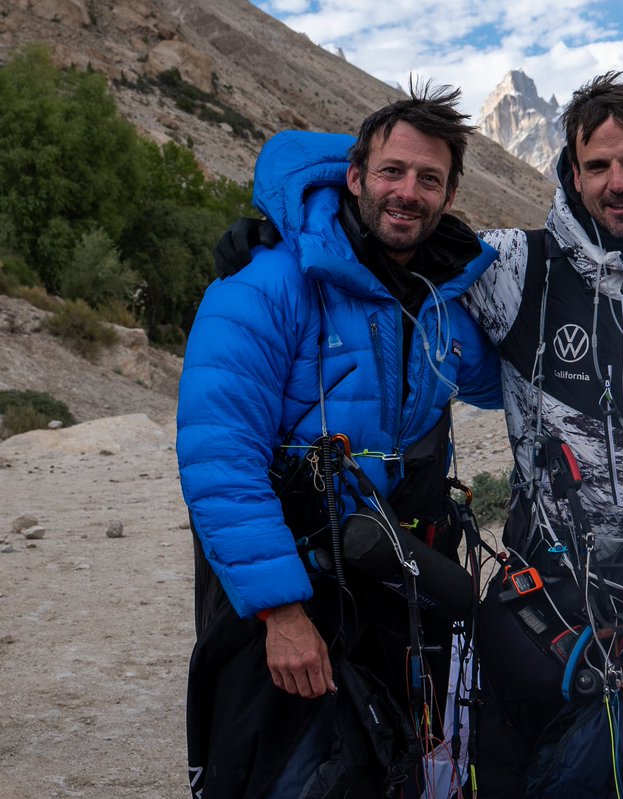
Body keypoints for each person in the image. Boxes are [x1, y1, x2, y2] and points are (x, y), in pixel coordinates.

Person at [215, 72, 623, 798]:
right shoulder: (511, 270)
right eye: (597, 165)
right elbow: (398, 239)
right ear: (572, 172)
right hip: (552, 584)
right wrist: (288, 236)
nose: (616, 182)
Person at [177, 84, 502, 799]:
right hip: (292, 583)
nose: (407, 192)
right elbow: (218, 453)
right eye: (391, 171)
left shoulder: (441, 294)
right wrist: (281, 613)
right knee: (284, 774)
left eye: (429, 180)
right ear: (354, 175)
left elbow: (505, 380)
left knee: (394, 765)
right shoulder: (265, 283)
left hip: (393, 575)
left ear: (447, 197)